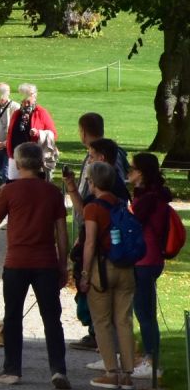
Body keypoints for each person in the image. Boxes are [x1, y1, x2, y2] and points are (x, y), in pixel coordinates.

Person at [0, 142, 71, 389]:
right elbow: (62, 232)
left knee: (13, 316)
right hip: (45, 261)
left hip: (16, 261)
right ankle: (58, 369)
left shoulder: (10, 191)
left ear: (19, 163)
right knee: (52, 318)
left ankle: (12, 369)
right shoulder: (53, 192)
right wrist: (63, 263)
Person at [61, 118, 129, 350]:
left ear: (100, 159)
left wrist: (85, 268)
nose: (88, 160)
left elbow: (92, 219)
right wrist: (71, 187)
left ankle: (107, 352)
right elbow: (86, 210)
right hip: (102, 244)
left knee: (100, 301)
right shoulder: (102, 188)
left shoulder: (107, 186)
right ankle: (106, 344)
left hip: (103, 249)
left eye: (90, 157)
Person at [73, 161, 135, 390]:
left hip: (103, 267)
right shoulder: (121, 204)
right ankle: (128, 373)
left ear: (93, 182)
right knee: (124, 320)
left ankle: (111, 372)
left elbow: (90, 244)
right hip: (126, 267)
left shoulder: (94, 208)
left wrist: (85, 274)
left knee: (102, 320)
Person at [126, 152, 173, 384]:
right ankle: (150, 356)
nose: (129, 172)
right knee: (145, 311)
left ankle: (151, 358)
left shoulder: (148, 199)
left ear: (141, 173)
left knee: (144, 312)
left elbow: (132, 223)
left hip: (145, 259)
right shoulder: (151, 196)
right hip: (150, 258)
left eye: (132, 168)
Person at [5, 84, 57, 172]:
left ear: (34, 98)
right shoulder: (16, 114)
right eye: (24, 101)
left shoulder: (41, 113)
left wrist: (38, 133)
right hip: (15, 158)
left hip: (33, 160)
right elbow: (11, 134)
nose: (26, 104)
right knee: (14, 184)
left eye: (28, 101)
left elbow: (53, 134)